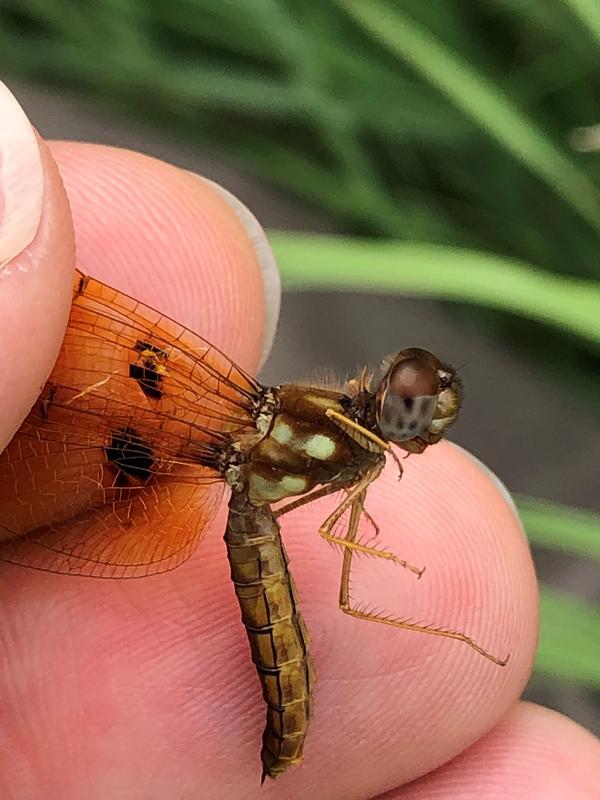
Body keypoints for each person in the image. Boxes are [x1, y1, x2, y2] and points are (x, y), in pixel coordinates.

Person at [1, 81, 598, 800]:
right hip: (239, 490)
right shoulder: (324, 424)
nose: (418, 422)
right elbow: (346, 537)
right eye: (415, 408)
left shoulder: (359, 445)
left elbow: (349, 536)